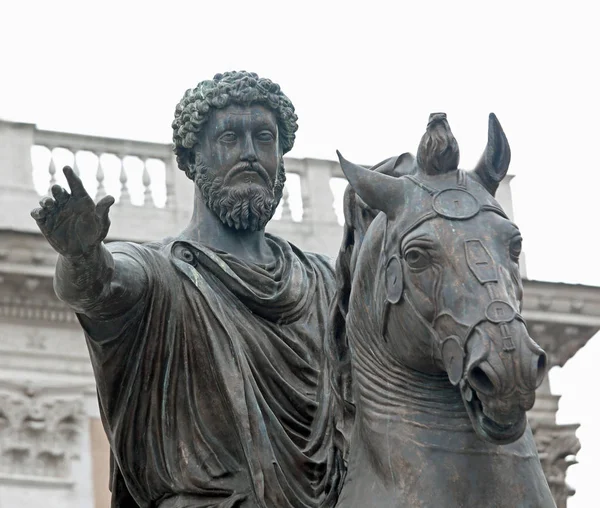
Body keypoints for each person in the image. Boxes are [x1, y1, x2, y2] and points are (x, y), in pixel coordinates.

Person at [31, 71, 343, 508]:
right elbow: (100, 288)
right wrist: (82, 257)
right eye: (230, 137)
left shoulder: (324, 285)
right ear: (191, 159)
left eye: (265, 138)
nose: (250, 153)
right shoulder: (160, 274)